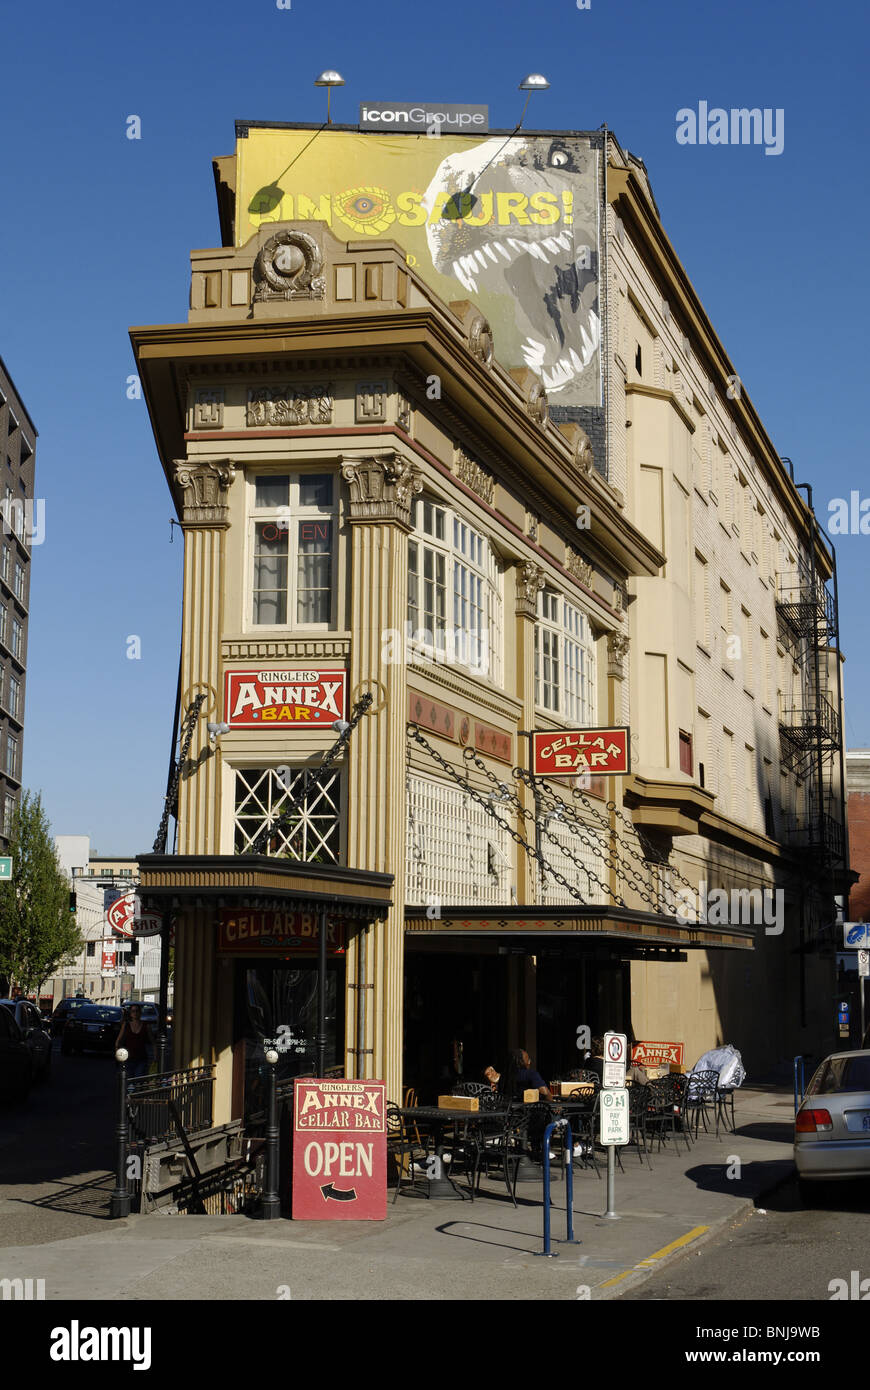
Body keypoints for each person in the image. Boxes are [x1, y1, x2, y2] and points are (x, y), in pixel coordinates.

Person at [116, 1003, 153, 1080]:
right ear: (130, 1013)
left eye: (137, 1011)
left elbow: (153, 1042)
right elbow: (118, 1041)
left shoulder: (146, 1026)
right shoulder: (126, 1025)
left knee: (138, 1079)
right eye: (133, 1011)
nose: (135, 1013)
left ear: (140, 1013)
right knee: (128, 1081)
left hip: (141, 1059)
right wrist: (119, 1055)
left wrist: (155, 1058)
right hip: (128, 1059)